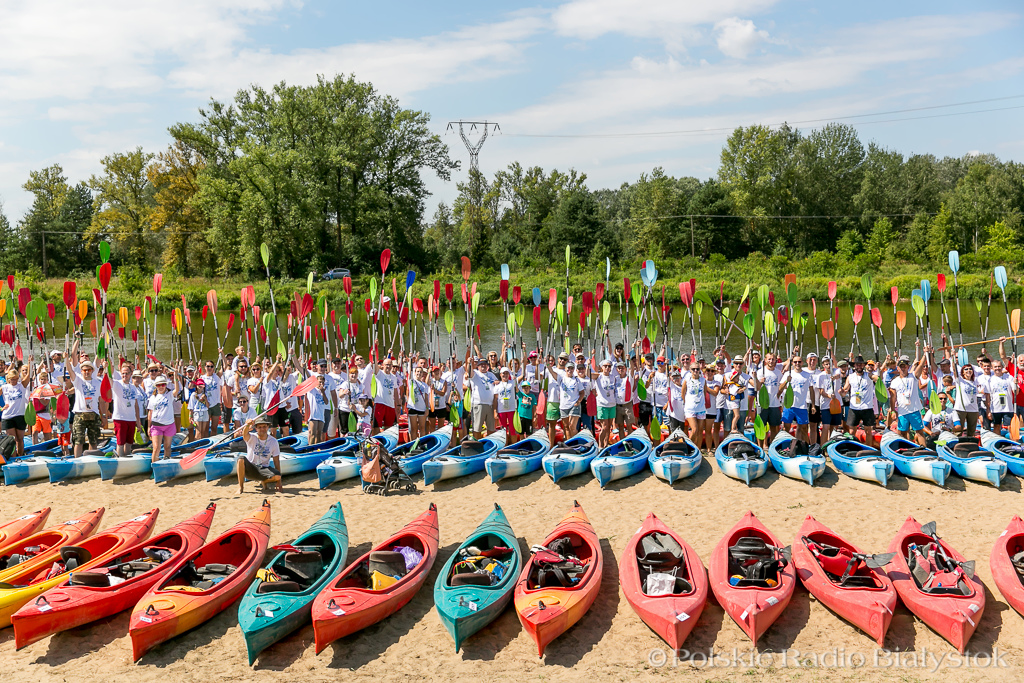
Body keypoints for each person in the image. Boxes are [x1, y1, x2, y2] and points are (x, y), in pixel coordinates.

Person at [68, 339, 103, 456]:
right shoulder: (78, 379)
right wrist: (65, 360)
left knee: (93, 440)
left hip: (93, 413)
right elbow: (71, 365)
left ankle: (92, 459)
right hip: (80, 413)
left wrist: (102, 340)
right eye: (84, 370)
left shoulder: (97, 381)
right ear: (81, 370)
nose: (87, 372)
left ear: (92, 371)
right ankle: (77, 460)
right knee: (78, 440)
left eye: (89, 370)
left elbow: (99, 356)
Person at [888, 348, 930, 445]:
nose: (903, 368)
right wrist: (893, 410)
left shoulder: (913, 376)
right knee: (902, 433)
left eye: (905, 366)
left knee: (919, 432)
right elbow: (893, 397)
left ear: (908, 367)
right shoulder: (894, 381)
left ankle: (925, 450)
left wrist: (925, 353)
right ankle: (905, 450)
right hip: (902, 411)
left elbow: (920, 365)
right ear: (898, 368)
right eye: (901, 366)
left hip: (914, 410)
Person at [108, 360, 145, 457]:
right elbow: (109, 378)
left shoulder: (133, 387)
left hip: (131, 418)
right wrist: (106, 367)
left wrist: (138, 421)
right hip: (120, 418)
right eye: (123, 373)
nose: (125, 375)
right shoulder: (117, 384)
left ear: (130, 374)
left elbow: (136, 405)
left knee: (129, 442)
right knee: (120, 442)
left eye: (127, 373)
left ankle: (127, 459)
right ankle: (120, 459)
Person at [238, 416, 282, 494]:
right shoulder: (252, 437)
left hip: (263, 468)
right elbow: (245, 434)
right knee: (241, 459)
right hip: (251, 467)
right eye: (260, 427)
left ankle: (263, 481)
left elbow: (276, 461)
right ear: (256, 428)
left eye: (264, 427)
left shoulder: (273, 441)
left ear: (268, 427)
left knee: (277, 476)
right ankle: (240, 487)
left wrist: (279, 482)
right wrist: (247, 425)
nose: (262, 429)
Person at [778, 352, 814, 443]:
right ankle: (787, 447)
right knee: (786, 428)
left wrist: (813, 405)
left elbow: (811, 390)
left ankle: (806, 448)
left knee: (804, 429)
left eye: (799, 362)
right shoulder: (787, 374)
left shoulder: (807, 375)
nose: (797, 363)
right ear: (793, 363)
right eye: (795, 362)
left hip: (801, 406)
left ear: (802, 363)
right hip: (789, 405)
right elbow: (780, 388)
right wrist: (786, 381)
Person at [844, 355, 876, 442]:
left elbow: (876, 378)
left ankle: (868, 450)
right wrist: (841, 392)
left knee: (868, 431)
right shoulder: (850, 377)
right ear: (854, 366)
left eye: (861, 364)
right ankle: (853, 447)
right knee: (852, 431)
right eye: (857, 364)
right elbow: (845, 390)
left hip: (867, 407)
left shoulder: (868, 375)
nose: (859, 366)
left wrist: (878, 374)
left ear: (863, 366)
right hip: (854, 407)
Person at [2, 364, 31, 458]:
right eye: (12, 379)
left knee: (20, 439)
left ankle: (20, 456)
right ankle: (14, 458)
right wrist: (1, 408)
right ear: (8, 379)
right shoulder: (4, 387)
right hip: (8, 416)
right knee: (12, 439)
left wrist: (30, 362)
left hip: (20, 415)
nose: (14, 381)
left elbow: (29, 375)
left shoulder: (21, 385)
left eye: (16, 379)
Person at [465, 355, 496, 440]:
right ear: (478, 366)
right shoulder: (475, 373)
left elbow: (497, 383)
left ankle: (489, 445)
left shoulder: (491, 375)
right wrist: (469, 363)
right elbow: (469, 372)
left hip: (490, 405)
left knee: (491, 428)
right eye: (481, 364)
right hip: (479, 404)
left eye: (485, 364)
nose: (483, 366)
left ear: (487, 366)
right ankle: (477, 444)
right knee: (477, 428)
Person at [754, 352, 783, 445]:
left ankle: (772, 447)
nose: (771, 361)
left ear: (775, 360)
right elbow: (757, 388)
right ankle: (760, 448)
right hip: (762, 403)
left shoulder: (778, 373)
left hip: (774, 404)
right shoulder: (760, 372)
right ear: (765, 360)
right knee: (761, 427)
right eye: (769, 359)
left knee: (774, 427)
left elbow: (781, 387)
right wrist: (760, 382)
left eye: (773, 359)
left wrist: (779, 394)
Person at [147, 375, 177, 463]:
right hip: (156, 426)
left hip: (169, 425)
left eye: (163, 385)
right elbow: (150, 412)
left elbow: (177, 390)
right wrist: (149, 427)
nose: (161, 387)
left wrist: (175, 375)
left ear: (166, 385)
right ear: (156, 386)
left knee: (167, 447)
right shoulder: (152, 398)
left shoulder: (169, 395)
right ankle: (154, 468)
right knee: (156, 448)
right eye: (158, 385)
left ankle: (166, 464)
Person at [953, 360, 982, 437]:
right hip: (961, 408)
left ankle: (970, 444)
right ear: (962, 372)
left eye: (970, 369)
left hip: (973, 409)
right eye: (966, 369)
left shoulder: (975, 381)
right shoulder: (960, 381)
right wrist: (953, 358)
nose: (968, 370)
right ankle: (956, 444)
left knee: (971, 431)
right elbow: (954, 370)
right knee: (959, 430)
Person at [592, 358, 617, 448]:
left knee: (609, 426)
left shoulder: (613, 377)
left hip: (612, 404)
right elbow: (587, 375)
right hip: (602, 405)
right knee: (604, 426)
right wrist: (588, 365)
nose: (607, 368)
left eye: (609, 366)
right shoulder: (598, 376)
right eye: (605, 366)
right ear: (602, 367)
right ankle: (600, 445)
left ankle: (606, 444)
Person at [494, 367, 518, 441]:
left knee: (512, 429)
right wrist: (495, 411)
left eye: (507, 373)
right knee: (503, 430)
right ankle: (505, 446)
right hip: (501, 410)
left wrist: (515, 380)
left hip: (511, 409)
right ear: (500, 375)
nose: (505, 375)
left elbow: (517, 390)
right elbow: (495, 399)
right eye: (503, 373)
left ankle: (513, 446)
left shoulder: (512, 382)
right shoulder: (497, 386)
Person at [407, 366, 430, 441]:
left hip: (422, 408)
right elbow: (409, 372)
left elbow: (426, 398)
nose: (419, 373)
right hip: (413, 407)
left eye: (420, 372)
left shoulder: (425, 385)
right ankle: (413, 444)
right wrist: (410, 359)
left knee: (422, 428)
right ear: (415, 373)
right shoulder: (411, 381)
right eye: (417, 371)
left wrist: (427, 408)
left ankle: (422, 444)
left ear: (422, 374)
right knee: (413, 428)